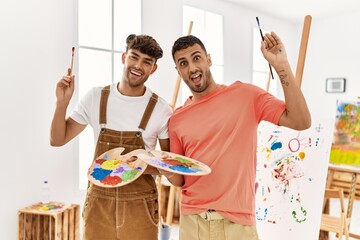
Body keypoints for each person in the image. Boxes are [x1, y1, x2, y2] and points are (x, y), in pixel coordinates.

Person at [169, 32, 311, 240]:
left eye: (196, 58)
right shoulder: (177, 119)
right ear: (178, 70)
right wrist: (160, 166)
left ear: (209, 59)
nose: (192, 68)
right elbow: (179, 179)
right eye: (183, 63)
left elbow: (301, 121)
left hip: (238, 224)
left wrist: (282, 66)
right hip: (193, 223)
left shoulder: (246, 96)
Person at [50, 34, 181, 240]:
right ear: (123, 57)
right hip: (99, 206)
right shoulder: (96, 97)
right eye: (134, 57)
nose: (138, 65)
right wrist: (61, 103)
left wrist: (137, 165)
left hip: (141, 207)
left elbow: (171, 168)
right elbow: (57, 140)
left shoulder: (162, 109)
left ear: (153, 69)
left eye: (147, 62)